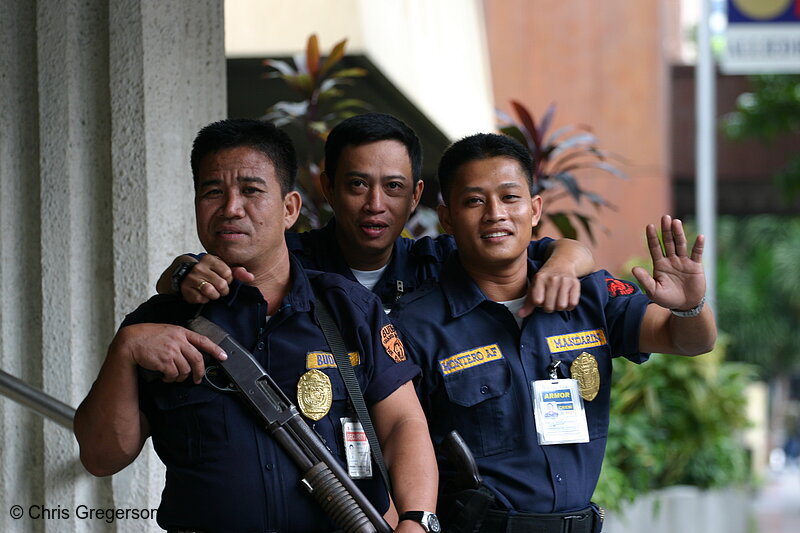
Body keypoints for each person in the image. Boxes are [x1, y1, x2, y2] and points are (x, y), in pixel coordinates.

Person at [73, 119, 438, 533]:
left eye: (251, 190)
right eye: (213, 192)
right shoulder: (157, 325)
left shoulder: (349, 308)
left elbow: (403, 424)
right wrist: (124, 352)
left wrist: (417, 520)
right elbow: (101, 457)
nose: (231, 207)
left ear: (290, 209)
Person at [389, 133, 717, 533]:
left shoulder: (589, 295)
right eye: (474, 200)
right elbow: (395, 441)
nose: (495, 213)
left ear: (535, 209)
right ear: (447, 218)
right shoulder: (416, 326)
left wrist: (690, 305)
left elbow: (690, 340)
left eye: (510, 197)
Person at [157, 113, 595, 314]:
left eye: (394, 188)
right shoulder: (289, 260)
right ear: (327, 188)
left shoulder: (438, 261)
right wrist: (181, 272)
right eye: (357, 184)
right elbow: (209, 271)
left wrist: (560, 268)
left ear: (416, 196)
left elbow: (562, 249)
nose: (375, 205)